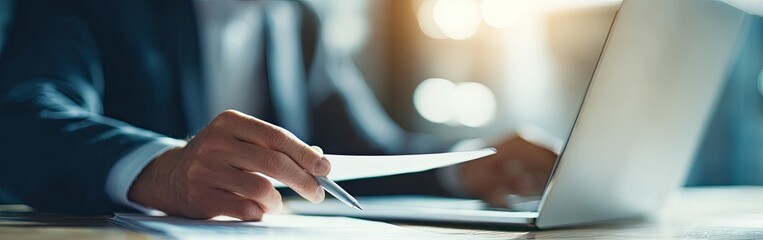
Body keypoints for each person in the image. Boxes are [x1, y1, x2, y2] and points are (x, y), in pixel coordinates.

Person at [0, 0, 556, 220]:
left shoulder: (298, 20)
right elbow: (24, 114)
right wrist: (160, 169)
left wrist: (467, 162)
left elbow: (360, 151)